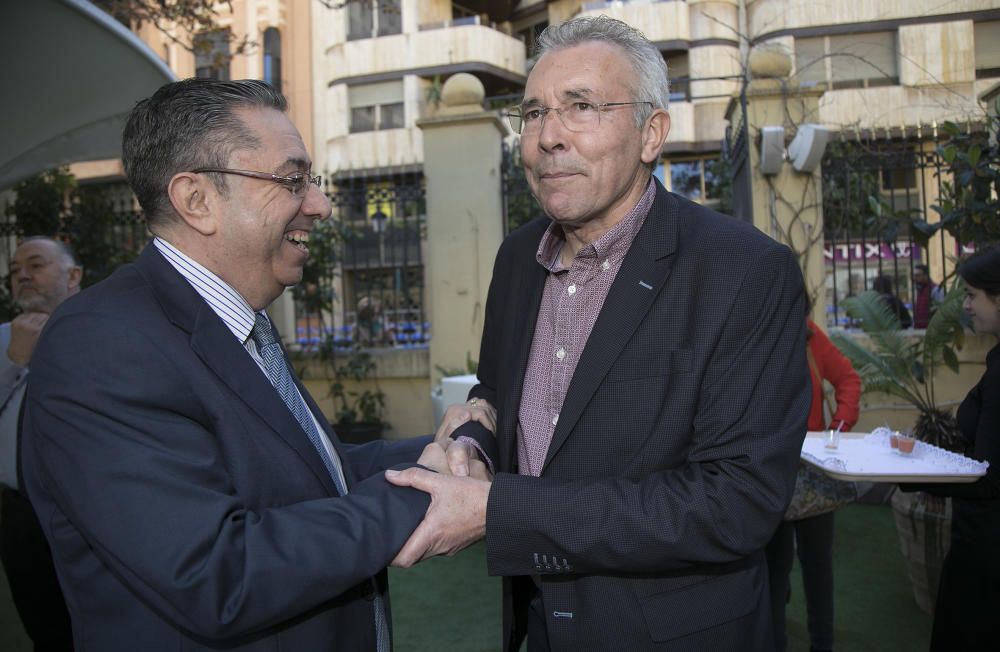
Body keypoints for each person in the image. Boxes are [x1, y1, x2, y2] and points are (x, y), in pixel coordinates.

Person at [386, 16, 811, 650]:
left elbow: (737, 502)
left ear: (651, 134)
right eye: (532, 114)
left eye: (580, 107)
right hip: (534, 624)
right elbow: (501, 392)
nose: (547, 138)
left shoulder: (743, 272)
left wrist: (500, 511)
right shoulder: (517, 259)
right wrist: (473, 443)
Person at [19, 79, 488, 652]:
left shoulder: (237, 321)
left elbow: (318, 472)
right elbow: (216, 573)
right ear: (197, 200)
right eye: (292, 180)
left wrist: (453, 446)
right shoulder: (100, 345)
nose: (318, 203)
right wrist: (426, 493)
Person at [906, 246, 1000, 651]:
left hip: (986, 557)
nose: (965, 306)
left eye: (972, 295)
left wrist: (911, 474)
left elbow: (987, 478)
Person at [0, 236, 80, 651]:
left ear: (73, 276)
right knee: (44, 627)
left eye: (35, 265)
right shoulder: (0, 339)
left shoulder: (101, 332)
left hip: (86, 507)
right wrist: (13, 359)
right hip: (18, 516)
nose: (23, 277)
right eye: (15, 271)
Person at [765, 309, 861, 652]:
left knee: (817, 567)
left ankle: (823, 644)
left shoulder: (808, 334)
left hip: (812, 471)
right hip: (765, 473)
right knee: (771, 569)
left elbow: (848, 379)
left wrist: (839, 427)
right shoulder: (746, 332)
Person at [912, 264, 944, 329]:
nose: (915, 278)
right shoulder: (919, 290)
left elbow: (941, 309)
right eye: (914, 275)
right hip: (918, 328)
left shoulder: (935, 289)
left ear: (926, 275)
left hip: (931, 328)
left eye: (918, 275)